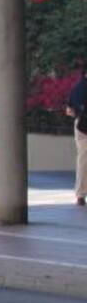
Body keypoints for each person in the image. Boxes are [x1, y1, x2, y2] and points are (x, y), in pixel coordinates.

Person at [66, 65, 87, 206]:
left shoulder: (76, 88)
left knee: (83, 160)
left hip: (81, 126)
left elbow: (69, 111)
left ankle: (80, 194)